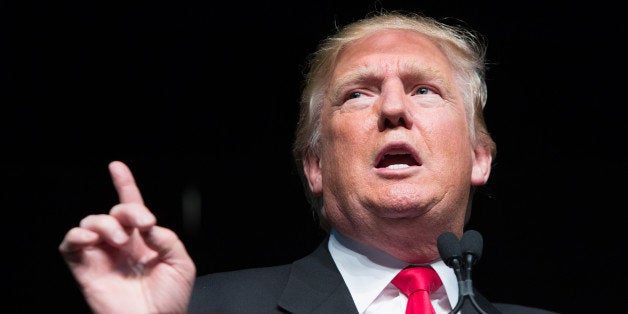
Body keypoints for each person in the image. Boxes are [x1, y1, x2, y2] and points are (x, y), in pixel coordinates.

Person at [59, 11, 558, 314]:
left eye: (424, 90)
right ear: (314, 166)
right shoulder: (198, 306)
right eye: (358, 94)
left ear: (479, 157)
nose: (392, 108)